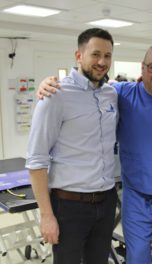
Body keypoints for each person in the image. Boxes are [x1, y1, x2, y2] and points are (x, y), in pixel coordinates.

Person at [37, 44, 152, 263]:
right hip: (136, 197)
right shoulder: (120, 93)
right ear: (142, 67)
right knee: (136, 257)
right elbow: (89, 86)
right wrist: (50, 83)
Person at [26, 28, 118, 264]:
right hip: (69, 207)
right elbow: (36, 160)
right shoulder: (55, 94)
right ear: (78, 56)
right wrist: (46, 215)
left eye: (107, 56)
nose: (102, 62)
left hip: (106, 202)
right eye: (95, 54)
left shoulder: (111, 93)